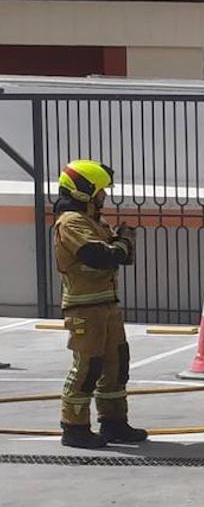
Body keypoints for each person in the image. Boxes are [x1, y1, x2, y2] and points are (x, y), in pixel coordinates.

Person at [53, 159, 146, 449]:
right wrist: (121, 246)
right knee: (88, 367)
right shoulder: (71, 223)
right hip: (84, 308)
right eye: (100, 192)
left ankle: (114, 422)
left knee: (116, 364)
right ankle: (74, 426)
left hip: (106, 305)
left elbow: (118, 253)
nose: (104, 197)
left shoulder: (93, 221)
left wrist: (119, 248)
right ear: (85, 192)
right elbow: (98, 255)